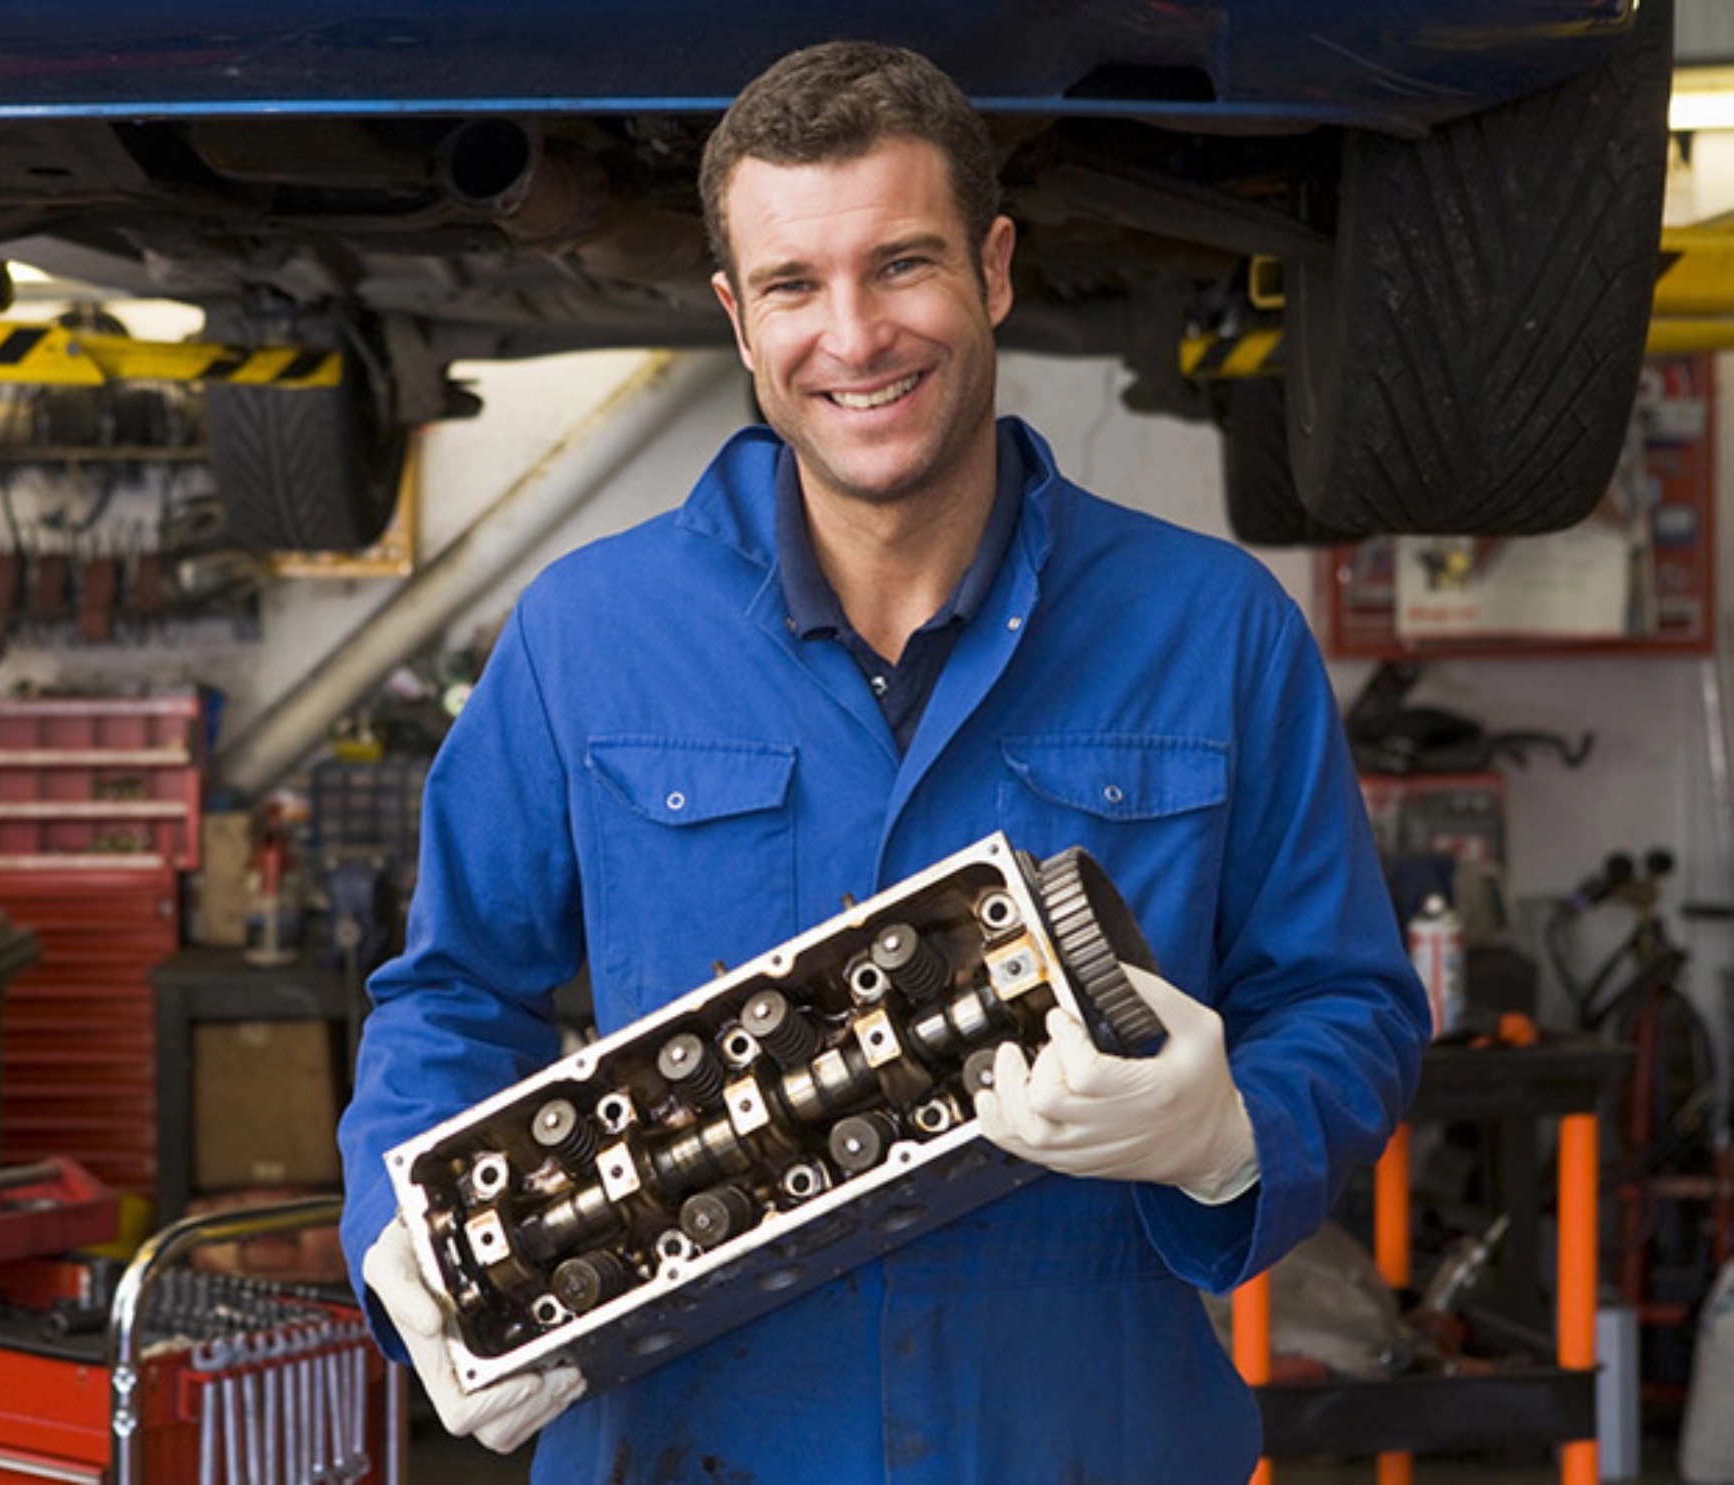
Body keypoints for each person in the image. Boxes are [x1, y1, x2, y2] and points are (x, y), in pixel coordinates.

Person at [339, 39, 1428, 1481]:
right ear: (738, 316)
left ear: (993, 269)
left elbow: (1346, 998)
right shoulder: (588, 635)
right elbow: (455, 989)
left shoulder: (1211, 628)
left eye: (901, 265)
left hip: (1077, 1436)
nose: (852, 338)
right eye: (794, 286)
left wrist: (1232, 1132)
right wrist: (398, 1231)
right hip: (693, 1441)